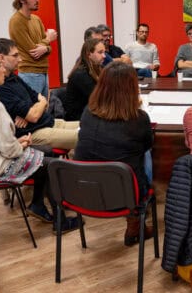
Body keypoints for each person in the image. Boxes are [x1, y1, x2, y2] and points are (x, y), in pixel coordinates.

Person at [0, 51, 79, 233]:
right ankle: (60, 222)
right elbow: (10, 151)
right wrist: (20, 144)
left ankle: (38, 204)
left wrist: (18, 142)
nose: (2, 70)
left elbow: (1, 139)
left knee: (46, 151)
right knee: (52, 164)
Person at [74, 61, 154, 246]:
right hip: (125, 196)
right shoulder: (139, 119)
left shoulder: (88, 112)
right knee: (147, 152)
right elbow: (147, 145)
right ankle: (135, 221)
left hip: (81, 192)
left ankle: (134, 223)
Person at [0, 38, 79, 150]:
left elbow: (41, 100)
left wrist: (33, 108)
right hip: (33, 132)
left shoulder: (14, 78)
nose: (20, 59)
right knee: (85, 137)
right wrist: (33, 110)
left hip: (46, 122)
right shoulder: (1, 87)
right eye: (15, 55)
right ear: (1, 58)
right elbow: (34, 116)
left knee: (88, 126)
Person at [9, 0, 58, 98]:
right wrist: (48, 39)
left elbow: (47, 49)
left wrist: (46, 47)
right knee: (34, 111)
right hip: (29, 73)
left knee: (44, 110)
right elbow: (34, 52)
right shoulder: (16, 21)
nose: (37, 0)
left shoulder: (36, 19)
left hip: (43, 71)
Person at [64, 38, 105, 121]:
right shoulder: (80, 74)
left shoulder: (99, 68)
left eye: (104, 52)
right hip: (79, 118)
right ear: (88, 54)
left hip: (91, 113)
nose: (104, 56)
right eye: (100, 52)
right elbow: (99, 98)